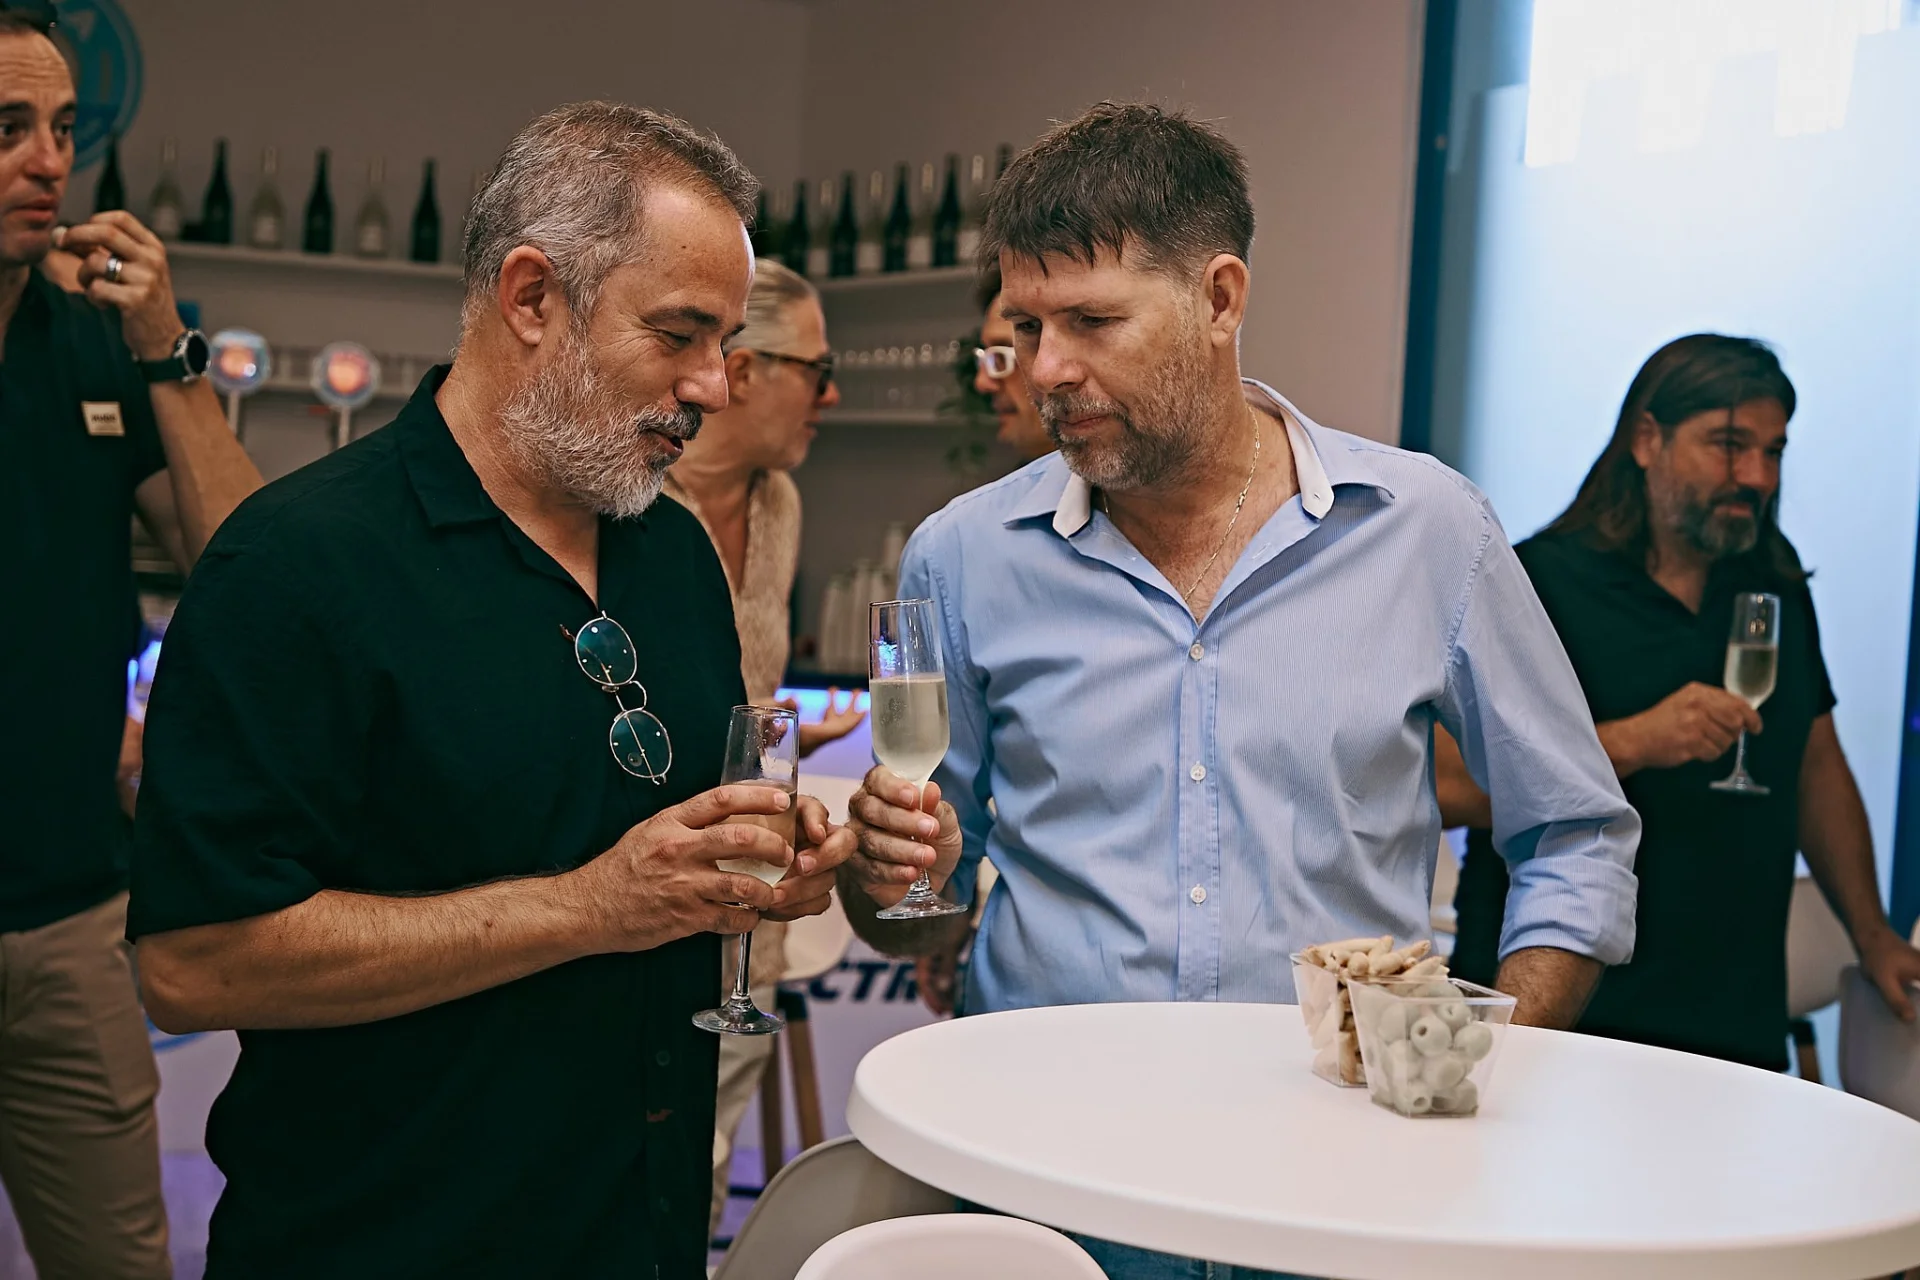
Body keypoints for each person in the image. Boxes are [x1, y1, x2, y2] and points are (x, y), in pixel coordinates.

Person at [836, 101, 1641, 1280]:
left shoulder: (1428, 530)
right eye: (1029, 326)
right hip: (1046, 1187)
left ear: (1220, 298)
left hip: (1343, 1196)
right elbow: (921, 907)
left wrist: (1488, 1059)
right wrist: (888, 871)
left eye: (1093, 321)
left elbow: (1575, 833)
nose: (1046, 368)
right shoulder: (960, 558)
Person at [127, 102, 855, 1279]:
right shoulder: (298, 563)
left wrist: (763, 859)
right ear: (531, 297)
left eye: (724, 342)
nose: (714, 386)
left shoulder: (671, 552)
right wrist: (590, 905)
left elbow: (663, 841)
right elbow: (193, 961)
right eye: (679, 334)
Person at [1440, 335, 1920, 1070]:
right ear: (1647, 440)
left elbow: (1816, 767)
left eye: (1774, 451)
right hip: (1560, 1020)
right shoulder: (1540, 581)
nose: (1757, 476)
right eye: (1730, 446)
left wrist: (1873, 933)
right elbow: (1448, 785)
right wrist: (1636, 741)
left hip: (1734, 1027)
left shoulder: (1774, 585)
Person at [0, 13, 261, 1277]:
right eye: (8, 128)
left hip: (69, 922)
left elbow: (249, 570)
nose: (49, 160)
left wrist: (166, 348)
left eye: (60, 128)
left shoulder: (95, 345)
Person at [659, 256, 866, 1232]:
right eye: (817, 372)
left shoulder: (780, 502)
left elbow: (737, 683)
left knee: (701, 1181)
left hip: (752, 915)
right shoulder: (630, 499)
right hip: (642, 911)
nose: (831, 396)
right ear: (742, 371)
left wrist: (782, 731)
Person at [913, 262, 1054, 1018]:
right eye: (1000, 348)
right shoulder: (955, 555)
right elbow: (941, 853)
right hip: (1025, 1051)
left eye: (1011, 347)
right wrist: (932, 907)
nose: (986, 380)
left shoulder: (1403, 527)